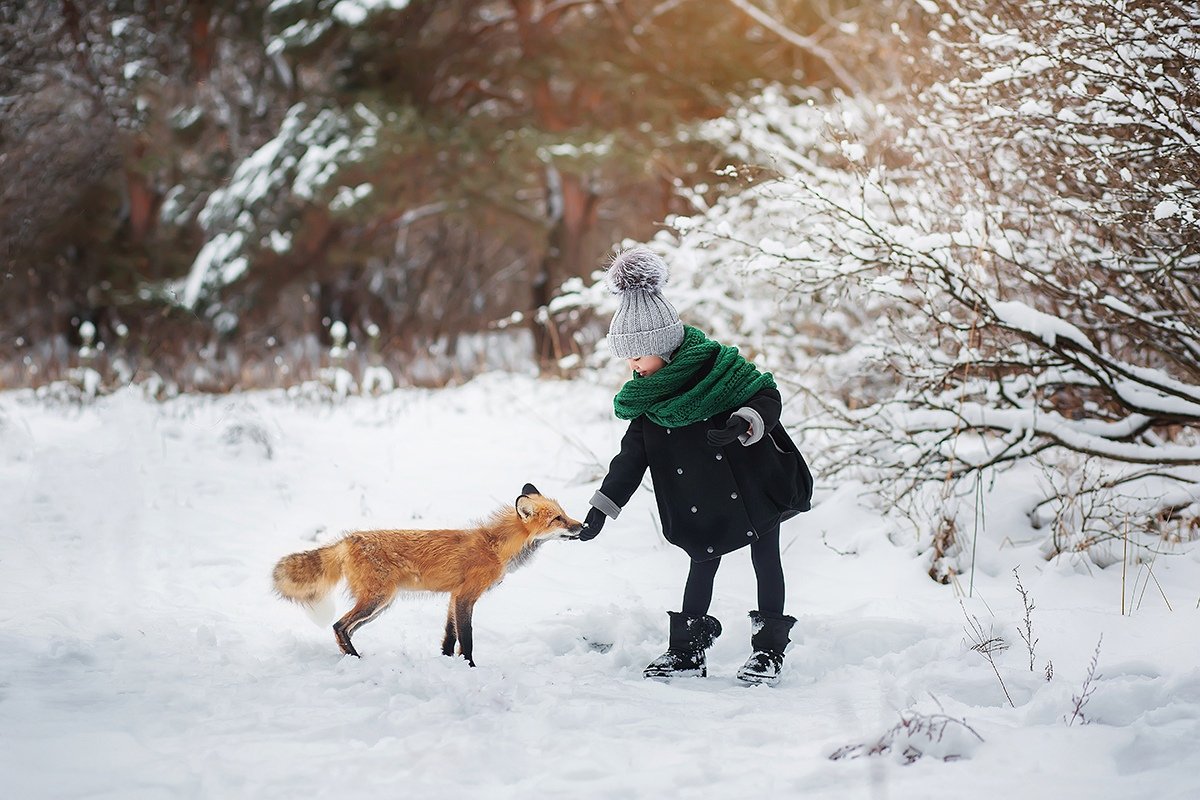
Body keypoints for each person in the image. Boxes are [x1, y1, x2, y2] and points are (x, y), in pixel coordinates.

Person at [579, 245, 814, 685]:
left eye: (638, 355)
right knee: (701, 563)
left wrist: (746, 422)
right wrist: (601, 509)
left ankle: (768, 651)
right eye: (626, 356)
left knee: (767, 560)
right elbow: (630, 462)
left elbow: (767, 397)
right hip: (703, 501)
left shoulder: (719, 370)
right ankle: (687, 651)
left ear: (663, 347)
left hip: (754, 485)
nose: (632, 365)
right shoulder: (647, 403)